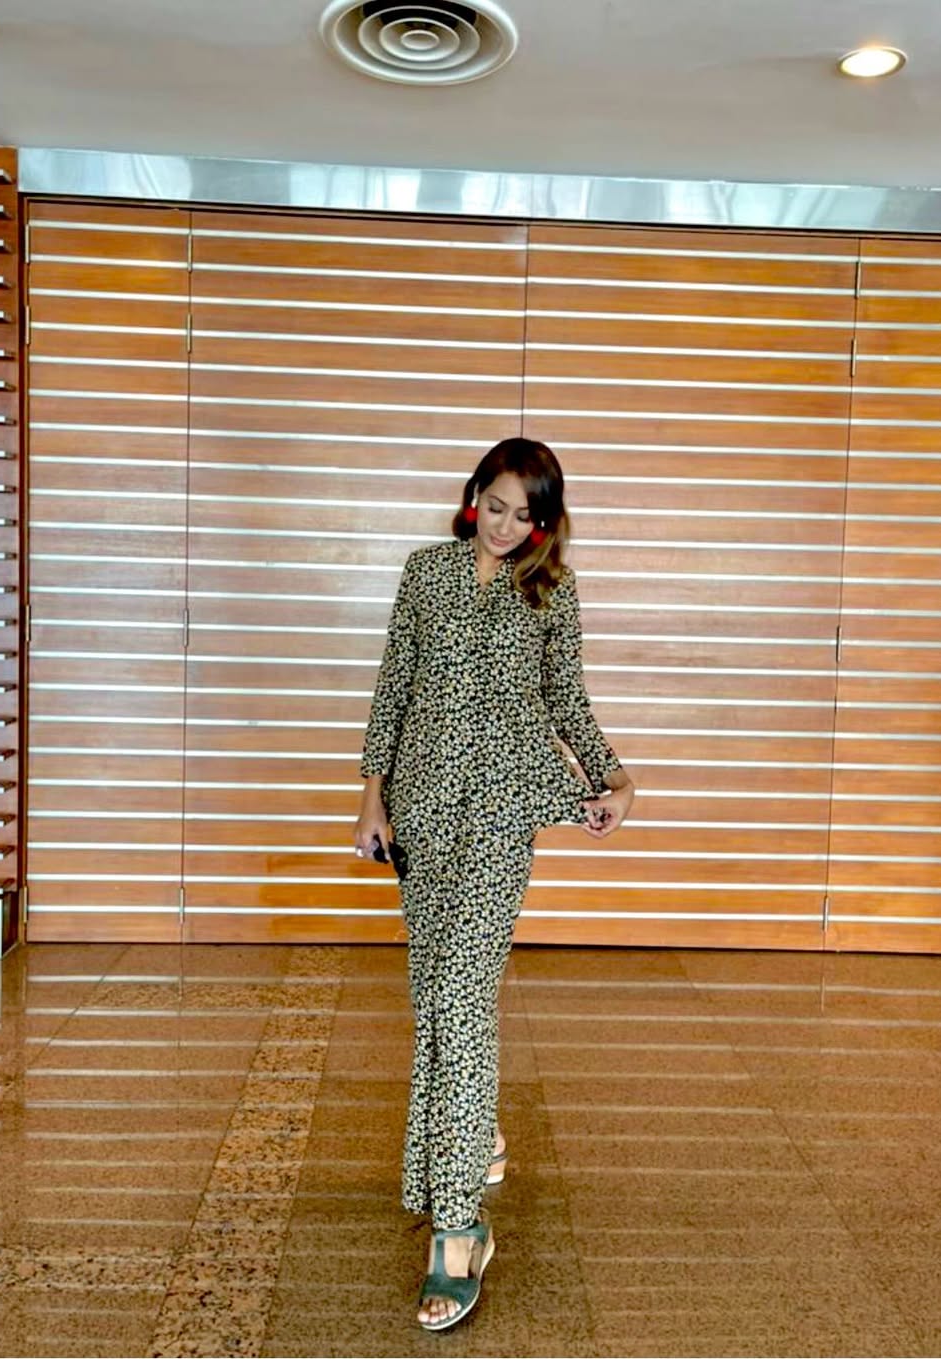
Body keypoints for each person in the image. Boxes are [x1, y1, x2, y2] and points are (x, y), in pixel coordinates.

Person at [353, 436, 633, 1332]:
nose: (508, 527)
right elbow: (395, 685)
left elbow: (566, 700)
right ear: (474, 494)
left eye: (527, 515)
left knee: (463, 1001)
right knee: (433, 999)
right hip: (422, 808)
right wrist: (371, 797)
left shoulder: (553, 591)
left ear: (547, 522)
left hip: (505, 810)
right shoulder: (426, 573)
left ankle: (459, 1229)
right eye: (498, 506)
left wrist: (614, 775)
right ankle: (478, 1134)